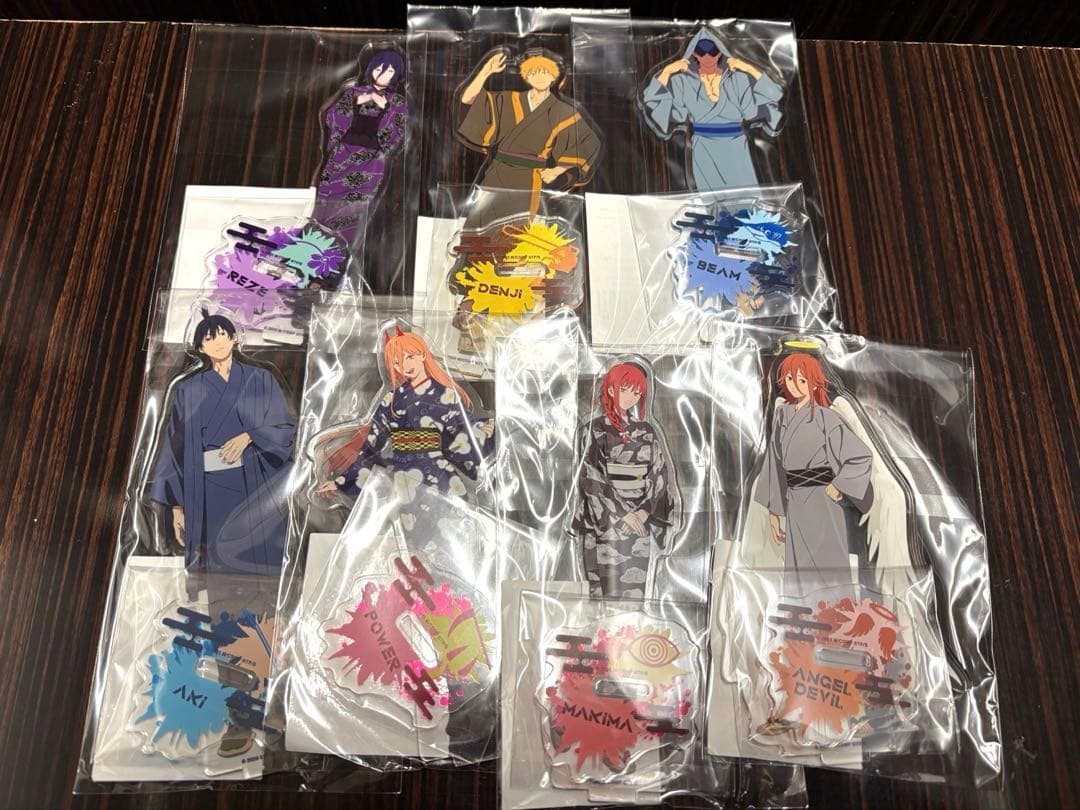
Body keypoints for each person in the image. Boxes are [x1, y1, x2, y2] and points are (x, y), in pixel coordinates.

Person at [148, 309, 295, 758]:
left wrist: (250, 436)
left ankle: (276, 703)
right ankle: (240, 715)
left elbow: (285, 432)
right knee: (225, 609)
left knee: (267, 602)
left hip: (257, 499)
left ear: (235, 338)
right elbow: (173, 449)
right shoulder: (188, 390)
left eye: (222, 335)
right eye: (207, 337)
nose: (216, 342)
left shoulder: (260, 380)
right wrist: (177, 506)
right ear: (200, 346)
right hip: (210, 504)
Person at [315, 326, 495, 510]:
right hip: (403, 479)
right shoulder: (391, 399)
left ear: (422, 355)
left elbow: (462, 430)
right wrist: (341, 482)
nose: (405, 366)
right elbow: (371, 447)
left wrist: (482, 429)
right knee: (405, 520)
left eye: (409, 357)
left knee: (451, 518)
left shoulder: (447, 395)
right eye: (397, 362)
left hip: (440, 474)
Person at [754, 351, 874, 597]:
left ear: (814, 383)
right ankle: (801, 616)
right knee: (797, 570)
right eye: (789, 379)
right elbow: (775, 463)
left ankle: (837, 613)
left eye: (802, 380)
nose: (795, 385)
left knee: (827, 564)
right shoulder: (782, 416)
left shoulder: (826, 418)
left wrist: (839, 485)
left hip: (823, 501)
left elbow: (860, 456)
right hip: (795, 501)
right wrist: (774, 511)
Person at [570, 362, 677, 599]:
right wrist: (622, 513)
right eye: (625, 389)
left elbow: (659, 473)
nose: (631, 397)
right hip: (603, 523)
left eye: (637, 392)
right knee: (600, 596)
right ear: (610, 389)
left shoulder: (646, 431)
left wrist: (644, 512)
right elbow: (590, 475)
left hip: (638, 524)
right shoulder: (594, 429)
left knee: (634, 594)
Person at [457, 50, 601, 220]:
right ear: (526, 77)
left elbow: (587, 141)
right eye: (533, 72)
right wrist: (485, 71)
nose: (539, 77)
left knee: (518, 225)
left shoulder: (563, 111)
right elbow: (468, 99)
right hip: (497, 173)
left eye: (545, 72)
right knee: (481, 222)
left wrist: (557, 170)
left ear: (553, 77)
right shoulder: (510, 100)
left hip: (530, 178)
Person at [642, 29, 782, 190]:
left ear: (720, 53)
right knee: (711, 197)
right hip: (703, 146)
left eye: (712, 52)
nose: (707, 57)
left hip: (736, 146)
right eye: (702, 52)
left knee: (745, 194)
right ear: (695, 54)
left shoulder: (739, 79)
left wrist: (750, 69)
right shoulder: (682, 81)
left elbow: (772, 95)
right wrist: (667, 71)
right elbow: (653, 101)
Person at [314, 49, 408, 249]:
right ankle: (314, 245)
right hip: (342, 156)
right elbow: (332, 117)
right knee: (329, 199)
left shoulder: (397, 102)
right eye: (379, 69)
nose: (383, 75)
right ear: (371, 69)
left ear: (397, 75)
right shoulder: (353, 93)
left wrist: (387, 108)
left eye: (390, 71)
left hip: (372, 163)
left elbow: (398, 132)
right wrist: (357, 102)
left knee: (356, 208)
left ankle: (341, 252)